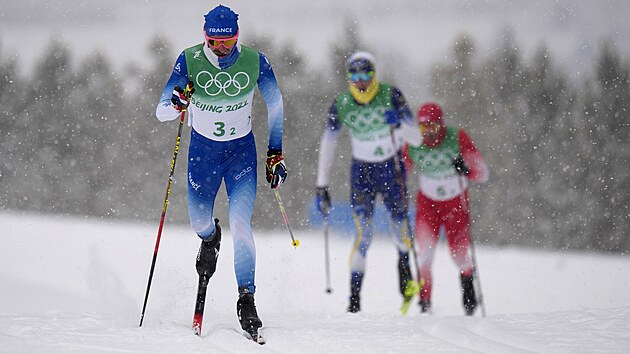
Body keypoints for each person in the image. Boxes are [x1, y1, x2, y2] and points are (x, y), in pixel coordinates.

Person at [155, 5, 286, 336]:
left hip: (241, 154)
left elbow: (275, 104)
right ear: (205, 38)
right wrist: (176, 102)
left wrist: (275, 152)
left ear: (237, 38)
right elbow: (161, 113)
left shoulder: (255, 61)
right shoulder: (189, 60)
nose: (220, 49)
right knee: (199, 222)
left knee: (241, 223)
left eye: (226, 43)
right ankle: (210, 238)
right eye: (213, 43)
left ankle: (247, 299)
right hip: (203, 155)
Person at [315, 51, 423, 313]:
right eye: (355, 76)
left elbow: (417, 139)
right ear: (349, 78)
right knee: (364, 234)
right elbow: (328, 142)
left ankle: (405, 275)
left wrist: (399, 124)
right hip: (361, 172)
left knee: (400, 232)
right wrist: (322, 185)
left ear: (374, 75)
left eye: (366, 75)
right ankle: (354, 302)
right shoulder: (341, 103)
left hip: (391, 168)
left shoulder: (391, 95)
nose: (361, 82)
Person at [402, 102, 489, 316]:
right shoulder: (413, 143)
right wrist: (397, 186)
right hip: (428, 205)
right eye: (423, 128)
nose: (428, 134)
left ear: (441, 125)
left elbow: (484, 173)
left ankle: (469, 295)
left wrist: (466, 169)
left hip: (455, 204)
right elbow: (401, 171)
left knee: (459, 255)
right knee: (425, 256)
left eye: (432, 127)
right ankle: (425, 304)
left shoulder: (456, 138)